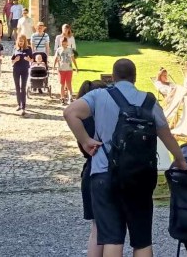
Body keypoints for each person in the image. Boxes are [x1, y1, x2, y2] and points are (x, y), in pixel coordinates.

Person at [64, 58, 187, 257]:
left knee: (112, 239)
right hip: (140, 176)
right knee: (142, 241)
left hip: (105, 175)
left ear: (113, 77)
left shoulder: (98, 95)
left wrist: (86, 140)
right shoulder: (149, 101)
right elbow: (167, 136)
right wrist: (181, 161)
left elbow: (70, 113)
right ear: (135, 78)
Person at [77, 79, 107, 257]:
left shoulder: (81, 121)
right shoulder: (103, 119)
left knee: (96, 229)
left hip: (89, 172)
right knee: (109, 231)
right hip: (102, 172)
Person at [11, 34, 33, 114]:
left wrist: (28, 59)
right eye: (19, 41)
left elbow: (32, 60)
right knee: (17, 87)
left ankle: (23, 106)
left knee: (23, 88)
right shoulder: (16, 48)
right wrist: (15, 60)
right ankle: (18, 104)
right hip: (16, 69)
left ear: (24, 41)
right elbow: (12, 61)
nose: (21, 42)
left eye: (22, 41)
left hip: (24, 70)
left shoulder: (28, 49)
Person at [54, 36, 79, 104]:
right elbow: (56, 58)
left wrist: (76, 67)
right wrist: (54, 66)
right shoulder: (58, 50)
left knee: (68, 83)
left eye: (65, 43)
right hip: (61, 69)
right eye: (62, 43)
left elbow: (73, 59)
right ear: (60, 43)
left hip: (69, 69)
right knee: (62, 84)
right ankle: (62, 97)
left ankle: (70, 97)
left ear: (67, 43)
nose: (64, 45)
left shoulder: (70, 50)